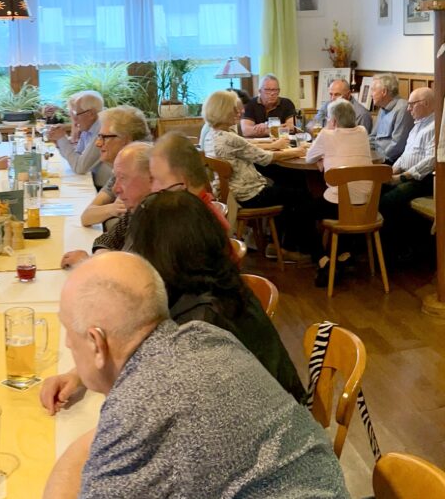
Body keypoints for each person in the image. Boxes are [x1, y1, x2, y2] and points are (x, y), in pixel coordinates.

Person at [40, 251, 347, 498]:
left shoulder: (139, 409)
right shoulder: (204, 334)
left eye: (69, 332)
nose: (67, 343)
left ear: (96, 343)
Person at [126, 191, 305, 400]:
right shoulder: (218, 279)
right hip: (277, 403)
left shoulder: (198, 323)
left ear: (157, 253)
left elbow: (173, 402)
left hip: (261, 419)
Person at [202, 90, 311, 260]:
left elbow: (249, 150)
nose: (241, 112)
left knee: (286, 186)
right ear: (224, 111)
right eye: (235, 110)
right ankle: (288, 248)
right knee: (300, 194)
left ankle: (276, 245)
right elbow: (266, 159)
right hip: (249, 195)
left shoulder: (212, 135)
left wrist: (274, 145)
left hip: (230, 192)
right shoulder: (231, 138)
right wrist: (298, 150)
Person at [305, 98, 374, 282]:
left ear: (333, 121)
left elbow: (309, 157)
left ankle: (322, 259)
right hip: (366, 206)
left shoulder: (327, 135)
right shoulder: (363, 131)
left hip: (339, 205)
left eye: (329, 118)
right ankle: (344, 254)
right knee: (343, 197)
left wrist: (323, 160)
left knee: (303, 211)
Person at [61, 143, 153, 268]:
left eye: (123, 178)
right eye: (116, 178)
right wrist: (100, 257)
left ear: (152, 179)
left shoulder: (160, 219)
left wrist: (91, 262)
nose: (115, 189)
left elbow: (132, 274)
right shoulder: (137, 208)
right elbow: (106, 240)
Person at [379, 87, 437, 260]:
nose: (408, 108)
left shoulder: (436, 126)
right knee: (375, 191)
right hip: (407, 174)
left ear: (425, 103)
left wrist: (402, 177)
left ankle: (396, 251)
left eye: (412, 104)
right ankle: (382, 247)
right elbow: (405, 155)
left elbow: (431, 160)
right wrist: (391, 171)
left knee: (388, 201)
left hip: (424, 179)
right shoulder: (418, 125)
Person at [78, 106, 151, 227]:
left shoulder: (148, 170)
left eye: (104, 137)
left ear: (126, 140)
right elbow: (86, 217)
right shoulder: (120, 171)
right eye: (98, 137)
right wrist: (113, 208)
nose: (98, 143)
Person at [149, 133, 229, 231]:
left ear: (183, 182)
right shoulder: (186, 214)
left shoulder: (199, 227)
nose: (153, 188)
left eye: (160, 180)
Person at [46, 90, 109, 189]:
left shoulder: (102, 130)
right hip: (96, 183)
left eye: (76, 114)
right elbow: (76, 156)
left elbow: (80, 168)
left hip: (106, 189)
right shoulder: (88, 128)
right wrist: (58, 142)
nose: (74, 120)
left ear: (91, 114)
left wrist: (62, 139)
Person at [368, 73, 414, 164]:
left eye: (373, 90)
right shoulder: (382, 107)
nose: (370, 95)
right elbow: (373, 137)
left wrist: (378, 160)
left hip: (390, 162)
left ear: (384, 92)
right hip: (377, 158)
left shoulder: (403, 109)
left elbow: (397, 145)